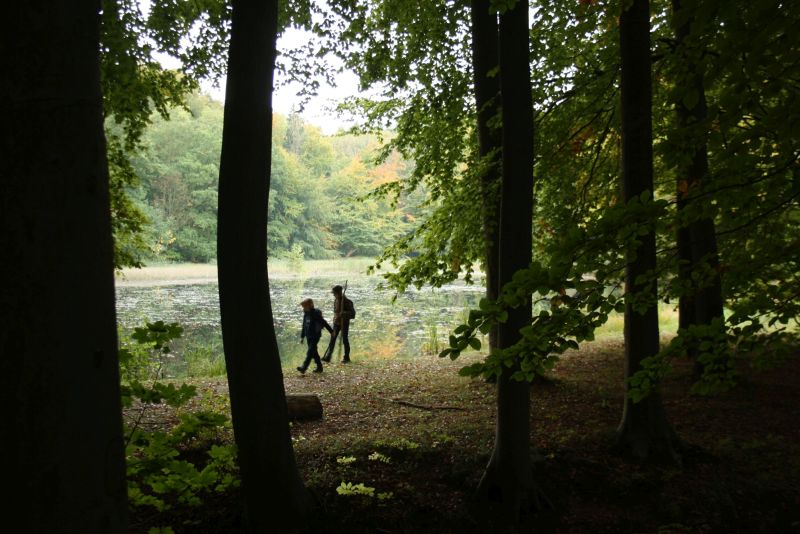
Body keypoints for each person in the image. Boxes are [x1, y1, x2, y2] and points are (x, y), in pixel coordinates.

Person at [297, 297, 333, 374]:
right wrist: (302, 337)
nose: (303, 308)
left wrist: (331, 331)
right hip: (308, 336)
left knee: (310, 352)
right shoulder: (305, 314)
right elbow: (304, 326)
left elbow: (324, 322)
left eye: (304, 306)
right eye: (303, 307)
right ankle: (319, 367)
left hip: (315, 336)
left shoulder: (315, 314)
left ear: (310, 305)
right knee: (314, 352)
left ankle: (304, 367)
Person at [322, 284, 355, 363]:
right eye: (333, 293)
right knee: (332, 339)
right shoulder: (336, 300)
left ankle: (346, 358)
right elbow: (336, 312)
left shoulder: (347, 301)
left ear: (339, 293)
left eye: (334, 293)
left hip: (344, 323)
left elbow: (353, 314)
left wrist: (344, 313)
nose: (333, 295)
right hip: (336, 323)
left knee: (345, 340)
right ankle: (328, 357)